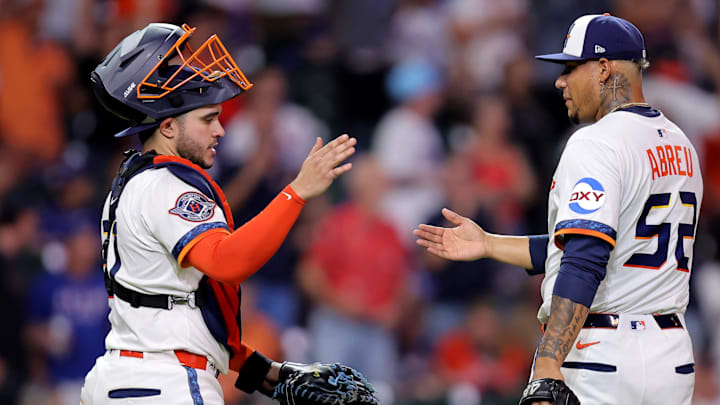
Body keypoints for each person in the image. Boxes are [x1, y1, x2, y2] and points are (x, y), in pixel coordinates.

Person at [414, 14, 703, 405]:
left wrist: (547, 365)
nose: (560, 81)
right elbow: (600, 243)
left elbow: (584, 259)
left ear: (603, 68)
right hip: (673, 358)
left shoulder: (596, 142)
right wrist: (489, 243)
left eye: (570, 68)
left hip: (604, 358)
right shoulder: (680, 142)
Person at [80, 23, 370, 405]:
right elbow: (228, 261)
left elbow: (192, 313)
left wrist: (271, 377)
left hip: (127, 380)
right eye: (207, 119)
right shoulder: (167, 185)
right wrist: (296, 192)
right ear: (167, 126)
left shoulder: (136, 181)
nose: (220, 129)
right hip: (165, 385)